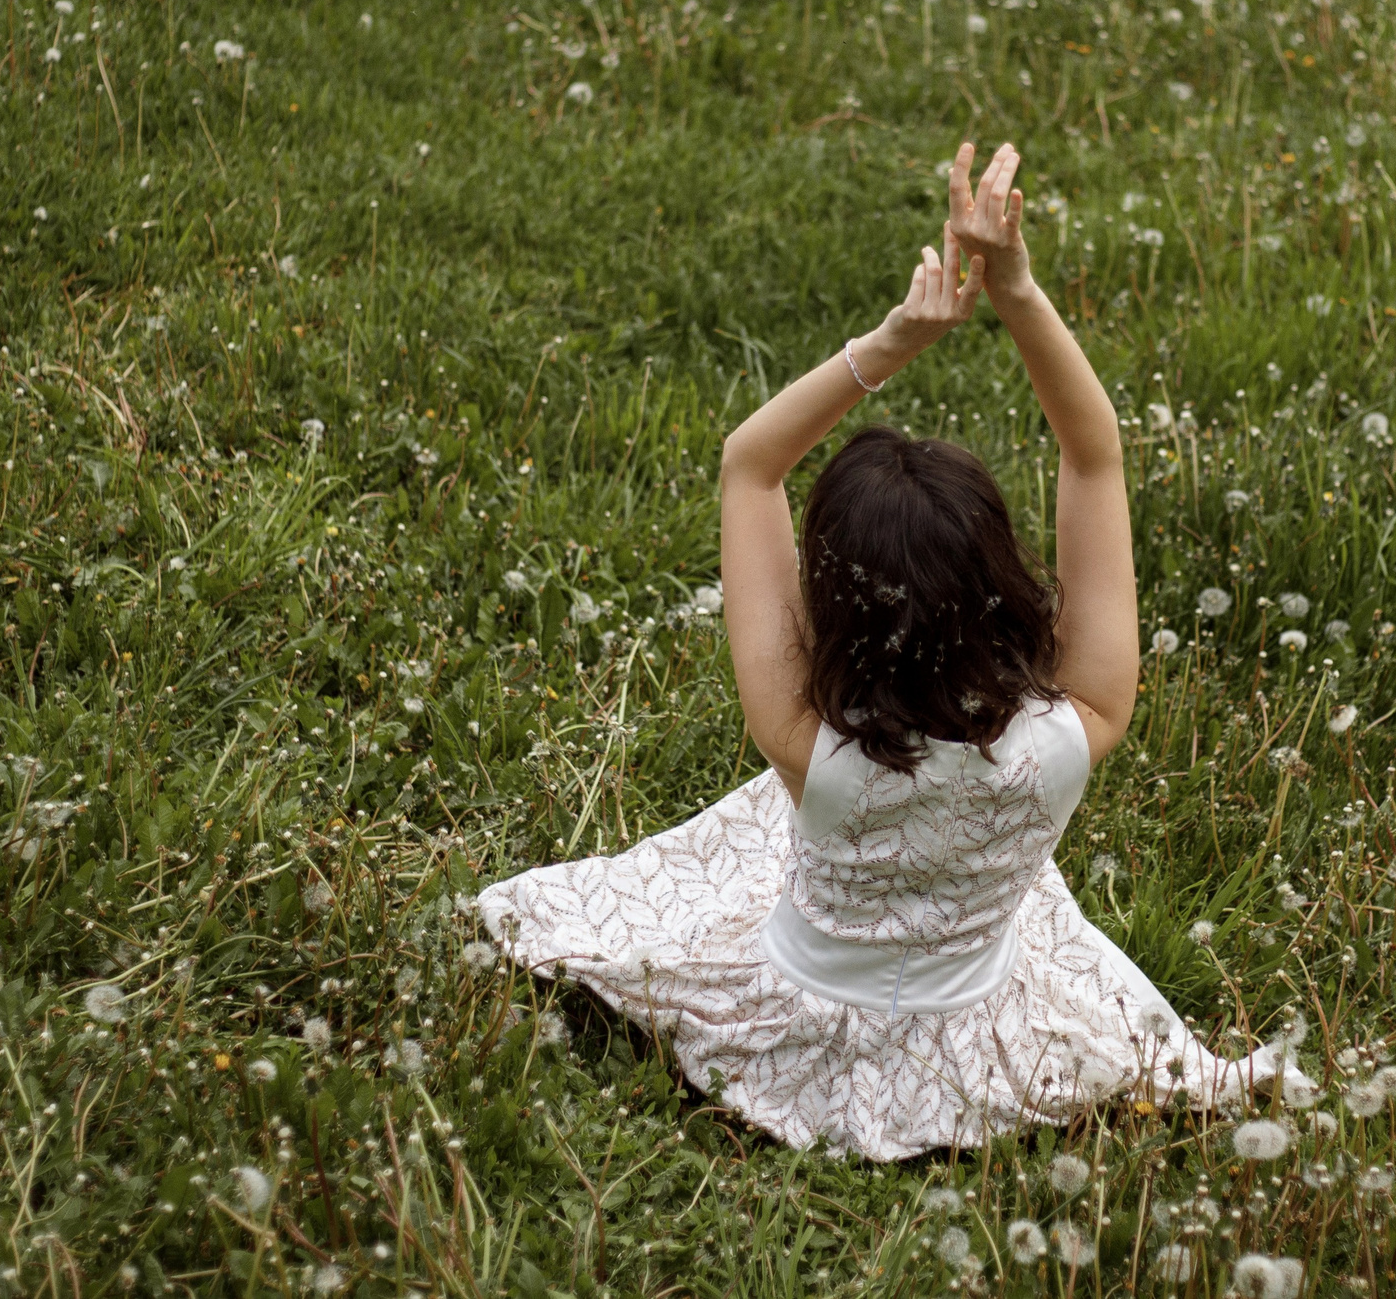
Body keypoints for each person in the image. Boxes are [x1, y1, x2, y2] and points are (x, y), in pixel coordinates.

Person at [477, 142, 1308, 1160]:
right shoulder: (1077, 728)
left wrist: (895, 338)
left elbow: (749, 465)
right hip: (975, 1007)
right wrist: (1017, 288)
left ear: (828, 600)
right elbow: (1093, 452)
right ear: (1000, 578)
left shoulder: (803, 748)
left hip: (804, 1003)